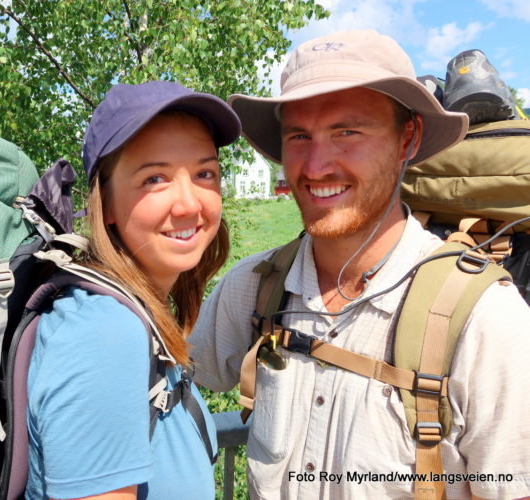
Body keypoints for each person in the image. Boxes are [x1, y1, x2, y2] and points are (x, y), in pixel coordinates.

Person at [189, 30, 530, 499]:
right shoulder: (254, 286)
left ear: (407, 139)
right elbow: (169, 383)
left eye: (347, 131)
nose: (316, 165)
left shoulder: (486, 319)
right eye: (299, 136)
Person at [24, 81, 240, 499]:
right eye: (155, 178)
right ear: (105, 203)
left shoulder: (140, 318)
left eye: (204, 173)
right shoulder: (104, 333)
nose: (190, 204)